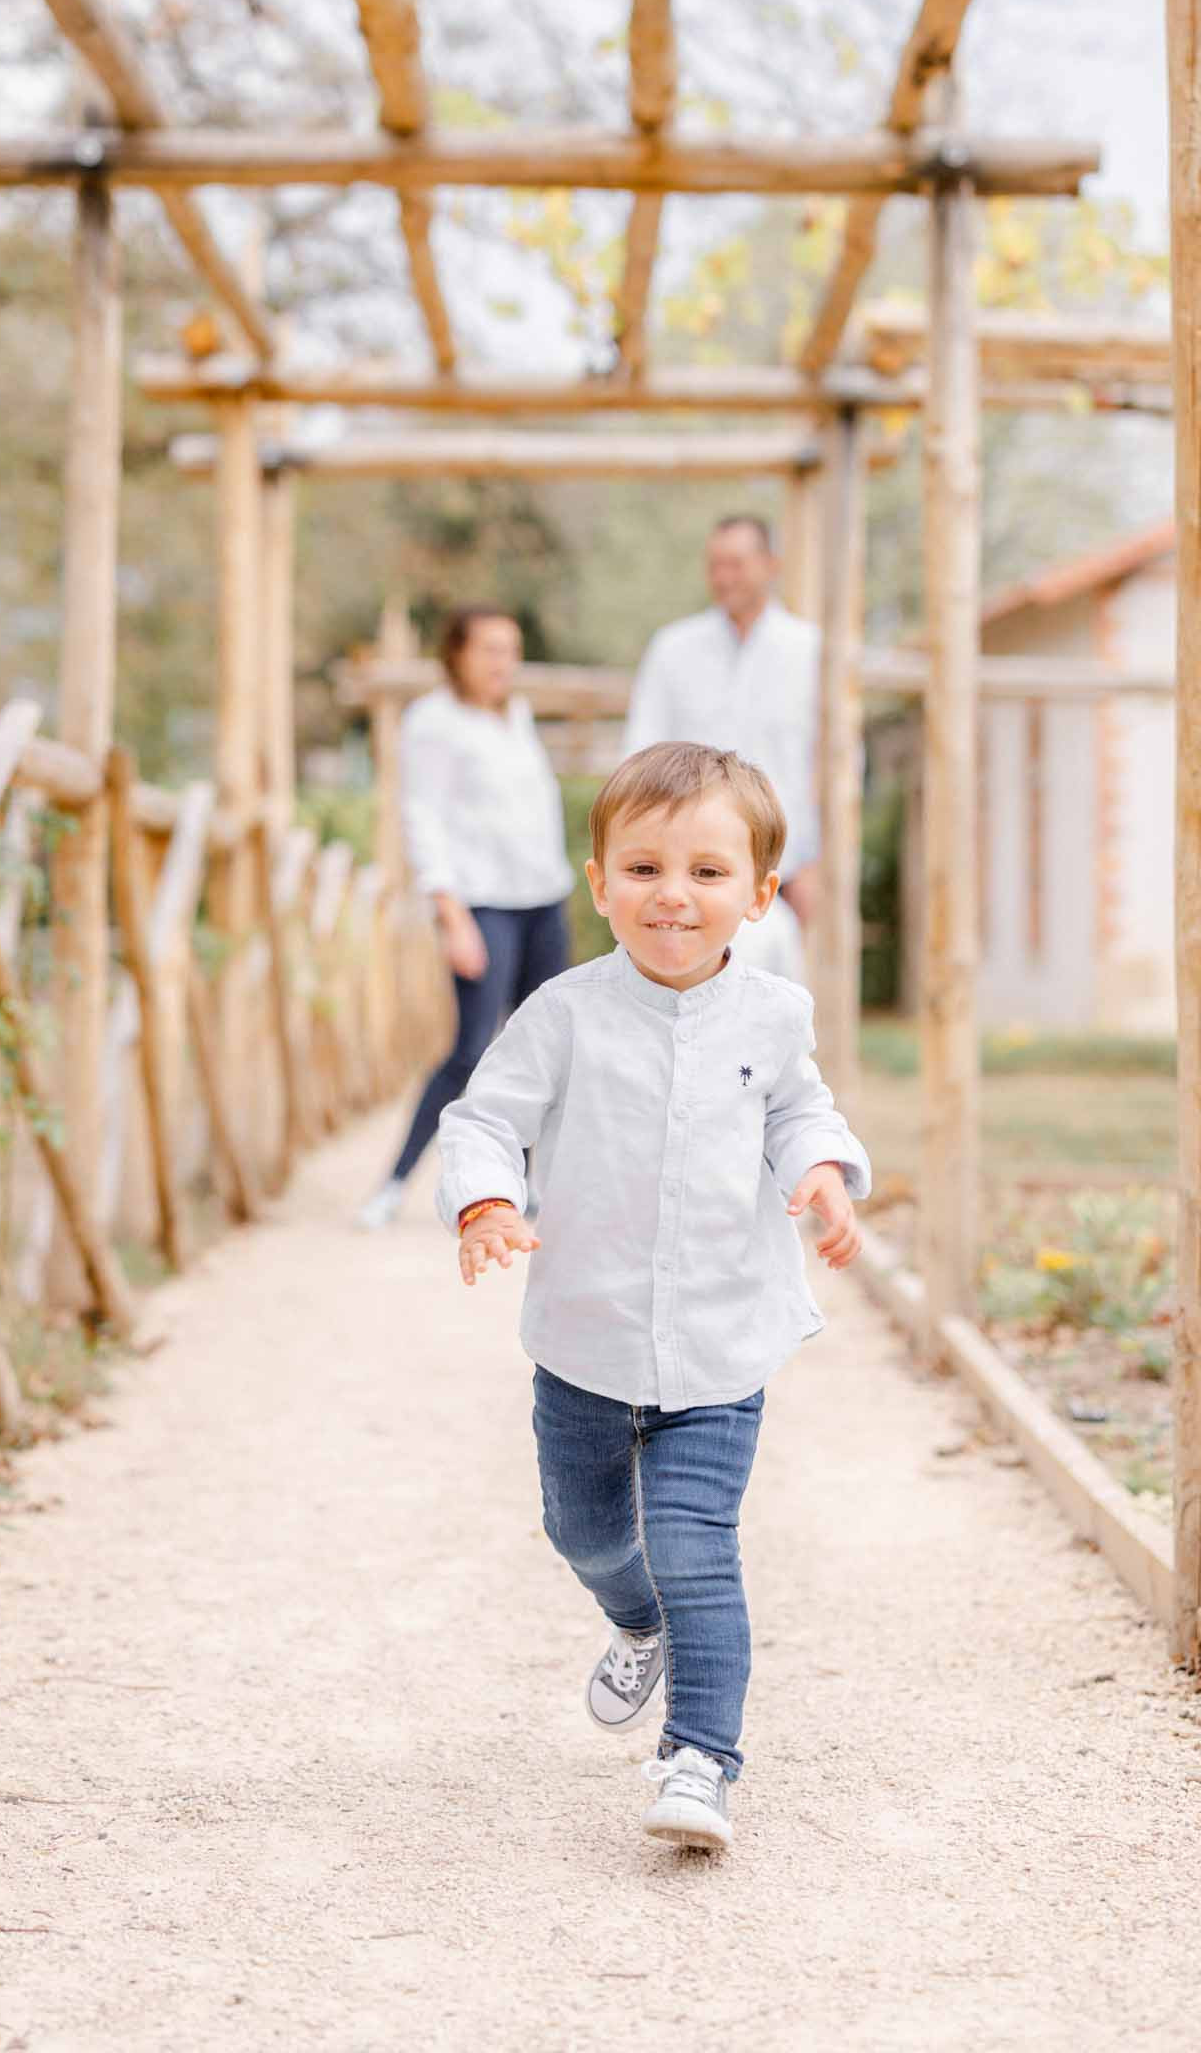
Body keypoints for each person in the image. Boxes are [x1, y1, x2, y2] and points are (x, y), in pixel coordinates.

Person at [435, 739, 868, 1855]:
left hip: (721, 1341)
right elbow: (484, 1120)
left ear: (759, 894)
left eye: (707, 872)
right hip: (588, 1337)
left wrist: (824, 1171)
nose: (673, 894)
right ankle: (638, 1624)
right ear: (599, 885)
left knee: (694, 1543)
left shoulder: (774, 1014)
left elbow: (800, 1112)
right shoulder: (563, 1014)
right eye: (643, 869)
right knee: (582, 1533)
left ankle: (700, 1759)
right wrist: (486, 1202)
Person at [354, 604, 573, 1230]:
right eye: (490, 650)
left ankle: (524, 1183)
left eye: (512, 650)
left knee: (540, 1049)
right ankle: (394, 1183)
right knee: (472, 1049)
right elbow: (422, 819)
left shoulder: (516, 716)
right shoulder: (432, 722)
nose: (504, 663)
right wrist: (451, 917)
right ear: (457, 654)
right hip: (482, 903)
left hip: (543, 898)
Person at [624, 513, 821, 976]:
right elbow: (640, 757)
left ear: (770, 565)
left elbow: (832, 764)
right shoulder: (673, 649)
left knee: (781, 992)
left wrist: (817, 861)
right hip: (690, 867)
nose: (723, 577)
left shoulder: (811, 651)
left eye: (736, 564)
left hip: (788, 864)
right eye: (715, 565)